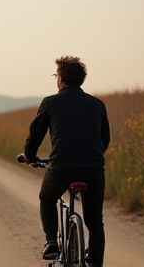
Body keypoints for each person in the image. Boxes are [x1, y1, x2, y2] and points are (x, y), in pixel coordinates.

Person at [23, 56, 110, 267]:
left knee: (47, 197)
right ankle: (96, 263)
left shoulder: (50, 102)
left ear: (61, 78)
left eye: (56, 75)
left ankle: (51, 242)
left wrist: (29, 157)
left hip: (62, 168)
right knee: (95, 223)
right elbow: (104, 139)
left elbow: (35, 135)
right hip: (93, 168)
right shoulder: (97, 104)